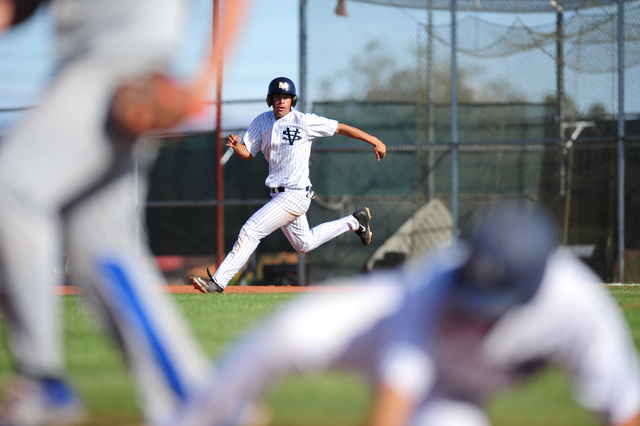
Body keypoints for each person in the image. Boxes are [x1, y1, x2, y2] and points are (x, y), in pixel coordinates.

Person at [176, 202, 640, 426]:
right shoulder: (438, 285)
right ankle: (195, 417)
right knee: (293, 332)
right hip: (387, 316)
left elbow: (624, 408)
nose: (477, 312)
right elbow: (393, 399)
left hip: (455, 392)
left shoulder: (578, 309)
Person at [0, 1, 220, 425]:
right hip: (80, 63)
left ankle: (43, 382)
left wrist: (205, 75)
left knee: (12, 188)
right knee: (100, 250)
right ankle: (199, 401)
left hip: (122, 63)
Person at [190, 76, 387, 294]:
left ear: (292, 100)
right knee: (304, 244)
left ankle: (217, 283)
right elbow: (248, 153)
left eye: (285, 97)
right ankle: (355, 221)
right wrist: (237, 145)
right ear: (270, 100)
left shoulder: (303, 121)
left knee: (250, 230)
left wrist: (374, 140)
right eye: (277, 96)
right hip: (279, 196)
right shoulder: (262, 122)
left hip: (295, 194)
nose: (281, 100)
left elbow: (339, 128)